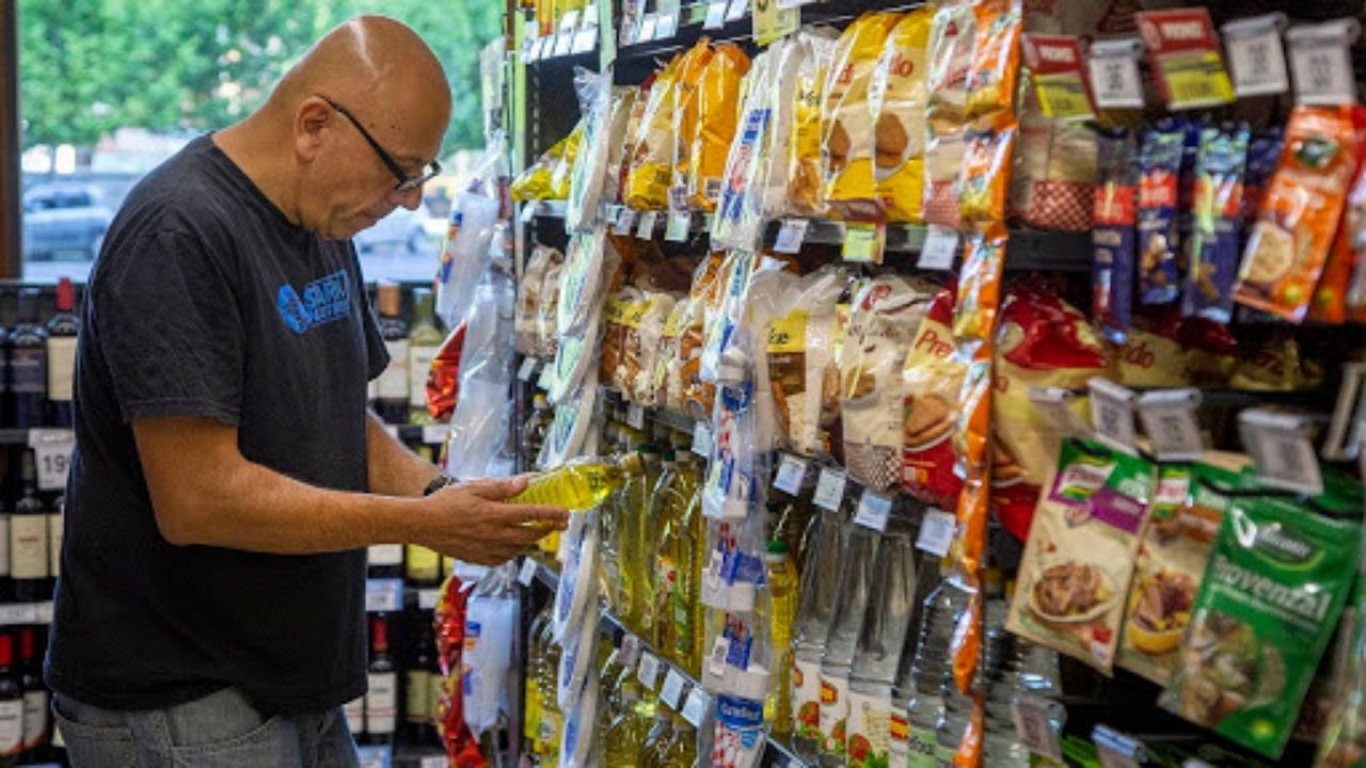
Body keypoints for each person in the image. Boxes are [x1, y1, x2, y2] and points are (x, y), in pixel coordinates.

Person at [43, 16, 567, 768]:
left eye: (423, 175)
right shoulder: (179, 234)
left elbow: (329, 413)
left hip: (287, 683)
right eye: (401, 172)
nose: (412, 202)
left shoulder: (322, 221)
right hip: (184, 700)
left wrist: (441, 497)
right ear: (315, 125)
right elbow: (198, 498)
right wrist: (418, 526)